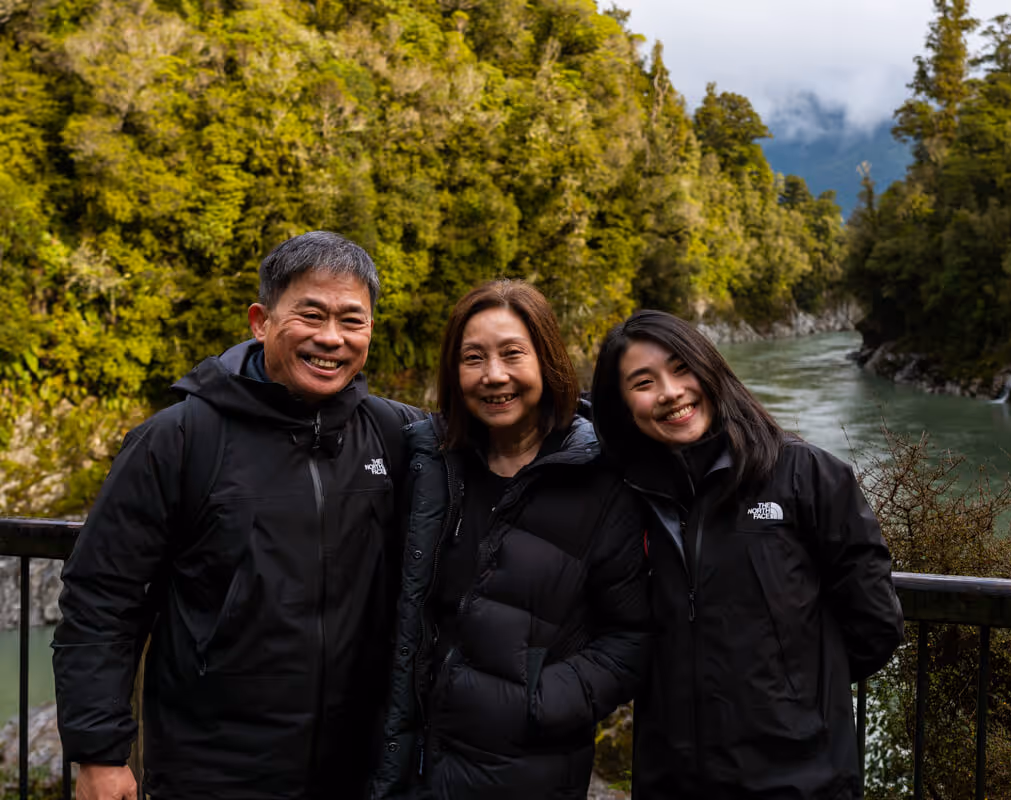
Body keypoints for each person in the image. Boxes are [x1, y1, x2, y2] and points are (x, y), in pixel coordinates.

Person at [53, 231, 423, 800]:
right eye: (311, 314)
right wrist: (100, 753)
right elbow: (102, 597)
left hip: (358, 768)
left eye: (353, 320)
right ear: (260, 320)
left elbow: (506, 433)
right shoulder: (178, 438)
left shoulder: (394, 435)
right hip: (213, 770)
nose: (331, 338)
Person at [590, 309, 904, 800]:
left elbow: (875, 624)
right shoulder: (628, 498)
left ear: (709, 368)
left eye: (680, 368)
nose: (670, 392)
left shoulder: (807, 477)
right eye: (643, 382)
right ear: (624, 405)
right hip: (670, 778)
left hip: (799, 780)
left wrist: (794, 701)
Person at [369, 280, 651, 800]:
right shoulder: (428, 460)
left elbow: (631, 637)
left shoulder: (603, 479)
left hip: (526, 772)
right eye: (473, 357)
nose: (493, 375)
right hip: (410, 765)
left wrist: (539, 702)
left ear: (547, 359)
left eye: (512, 354)